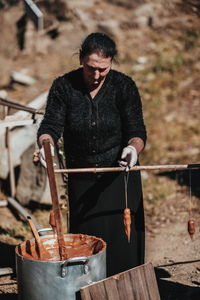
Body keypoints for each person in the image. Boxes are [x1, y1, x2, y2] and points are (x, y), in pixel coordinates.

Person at [37, 32, 147, 277]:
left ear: (111, 64)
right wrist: (47, 145)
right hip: (82, 176)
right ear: (80, 60)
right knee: (86, 244)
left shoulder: (124, 85)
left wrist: (133, 149)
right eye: (91, 68)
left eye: (103, 70)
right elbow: (50, 127)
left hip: (119, 176)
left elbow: (136, 130)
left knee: (123, 245)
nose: (96, 76)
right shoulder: (63, 86)